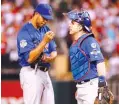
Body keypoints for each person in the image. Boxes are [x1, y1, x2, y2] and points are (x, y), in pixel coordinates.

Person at [63, 9, 109, 104]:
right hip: (82, 87)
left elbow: (100, 62)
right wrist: (79, 87)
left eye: (73, 23)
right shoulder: (75, 43)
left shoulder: (89, 41)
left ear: (80, 27)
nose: (69, 25)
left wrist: (102, 84)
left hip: (91, 86)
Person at [17, 4, 57, 104]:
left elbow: (54, 51)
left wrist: (49, 58)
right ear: (36, 14)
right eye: (44, 18)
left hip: (45, 72)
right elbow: (29, 59)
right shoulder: (25, 31)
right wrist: (44, 41)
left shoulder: (45, 29)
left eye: (48, 19)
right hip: (31, 72)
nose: (46, 21)